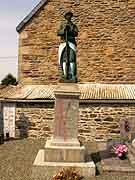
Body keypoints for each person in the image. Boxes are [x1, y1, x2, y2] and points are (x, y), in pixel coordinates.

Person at [57, 11, 78, 81]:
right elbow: (58, 32)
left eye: (70, 15)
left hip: (71, 43)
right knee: (64, 59)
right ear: (65, 17)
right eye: (67, 15)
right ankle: (64, 74)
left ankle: (72, 75)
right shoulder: (62, 24)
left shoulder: (73, 25)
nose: (69, 17)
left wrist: (69, 31)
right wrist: (64, 30)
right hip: (64, 43)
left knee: (71, 58)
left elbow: (76, 33)